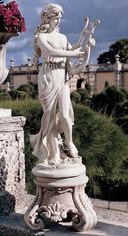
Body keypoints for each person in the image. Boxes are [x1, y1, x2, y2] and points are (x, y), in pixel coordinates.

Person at [30, 3, 94, 165]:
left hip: (62, 77)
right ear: (47, 18)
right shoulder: (41, 37)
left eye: (59, 18)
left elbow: (73, 52)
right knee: (50, 117)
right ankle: (54, 153)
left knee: (65, 115)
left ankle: (69, 141)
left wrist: (87, 48)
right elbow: (50, 52)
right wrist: (73, 52)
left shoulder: (63, 37)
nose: (58, 21)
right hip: (48, 77)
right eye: (55, 18)